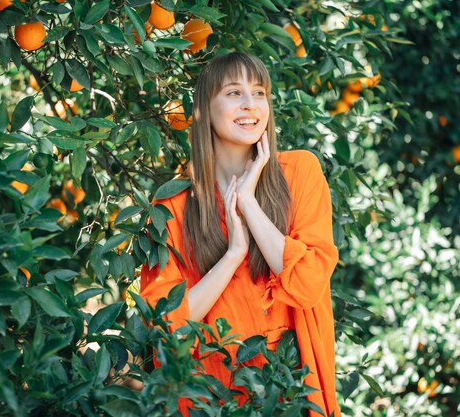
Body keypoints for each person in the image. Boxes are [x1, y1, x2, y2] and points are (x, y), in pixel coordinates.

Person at [140, 52, 340, 417]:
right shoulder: (173, 203)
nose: (251, 105)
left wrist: (249, 202)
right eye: (234, 92)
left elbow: (309, 284)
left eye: (260, 92)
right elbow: (168, 328)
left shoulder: (299, 171)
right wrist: (233, 254)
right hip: (209, 394)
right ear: (204, 108)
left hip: (290, 390)